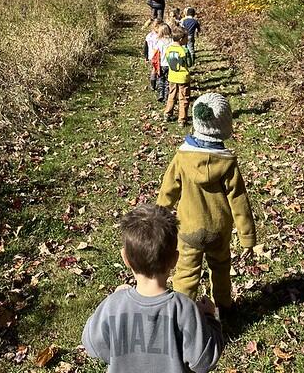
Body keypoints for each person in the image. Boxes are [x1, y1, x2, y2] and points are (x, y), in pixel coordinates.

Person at [82, 204, 224, 373]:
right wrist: (210, 318)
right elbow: (204, 361)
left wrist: (115, 299)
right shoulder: (184, 309)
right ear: (174, 259)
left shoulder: (113, 305)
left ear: (125, 258)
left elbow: (92, 344)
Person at [157, 93, 257, 315]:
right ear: (224, 126)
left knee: (186, 273)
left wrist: (157, 221)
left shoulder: (182, 158)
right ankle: (224, 308)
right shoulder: (228, 164)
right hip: (218, 231)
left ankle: (181, 315)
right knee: (220, 269)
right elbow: (239, 202)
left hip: (188, 229)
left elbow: (167, 192)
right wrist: (247, 237)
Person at [164, 29, 193, 127]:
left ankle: (167, 113)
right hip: (183, 77)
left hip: (172, 76)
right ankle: (182, 119)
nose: (187, 40)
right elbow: (190, 63)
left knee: (171, 95)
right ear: (181, 39)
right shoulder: (183, 50)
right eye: (186, 38)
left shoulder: (168, 49)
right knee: (184, 98)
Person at [155, 23, 172, 104]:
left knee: (161, 79)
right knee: (168, 81)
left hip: (162, 64)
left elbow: (156, 52)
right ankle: (167, 96)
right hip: (170, 64)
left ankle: (160, 94)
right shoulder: (172, 41)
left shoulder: (159, 42)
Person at [143, 19, 162, 92]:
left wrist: (146, 57)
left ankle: (153, 84)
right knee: (158, 70)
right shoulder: (159, 36)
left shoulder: (149, 36)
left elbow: (146, 47)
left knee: (154, 70)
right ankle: (157, 84)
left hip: (151, 56)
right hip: (158, 55)